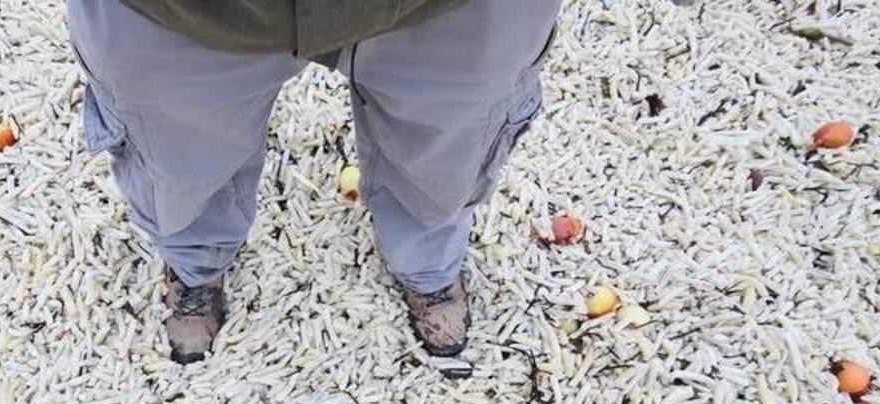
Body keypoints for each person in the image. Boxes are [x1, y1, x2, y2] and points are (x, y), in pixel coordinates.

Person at [67, 0, 560, 363]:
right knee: (178, 149)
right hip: (186, 10)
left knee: (449, 143)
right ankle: (195, 258)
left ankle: (428, 258)